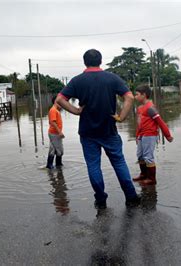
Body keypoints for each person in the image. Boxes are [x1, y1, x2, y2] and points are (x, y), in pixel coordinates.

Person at [56, 49, 140, 209]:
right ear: (100, 61)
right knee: (119, 162)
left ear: (84, 62)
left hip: (88, 133)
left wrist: (76, 111)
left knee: (93, 165)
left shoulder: (77, 81)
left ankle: (100, 199)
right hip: (109, 130)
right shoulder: (111, 78)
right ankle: (131, 197)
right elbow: (129, 97)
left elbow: (60, 99)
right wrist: (121, 117)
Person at [132, 84, 173, 185]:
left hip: (150, 134)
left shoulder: (150, 108)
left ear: (144, 95)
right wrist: (137, 135)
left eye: (137, 94)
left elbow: (160, 122)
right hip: (142, 135)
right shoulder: (140, 108)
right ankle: (143, 174)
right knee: (140, 156)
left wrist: (167, 135)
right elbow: (139, 123)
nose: (135, 97)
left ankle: (151, 179)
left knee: (148, 156)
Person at [46, 95, 65, 169]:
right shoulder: (53, 110)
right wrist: (59, 132)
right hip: (54, 133)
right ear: (56, 102)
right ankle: (58, 165)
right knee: (60, 151)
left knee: (53, 149)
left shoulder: (55, 110)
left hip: (53, 133)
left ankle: (50, 165)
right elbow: (52, 122)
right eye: (60, 103)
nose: (62, 105)